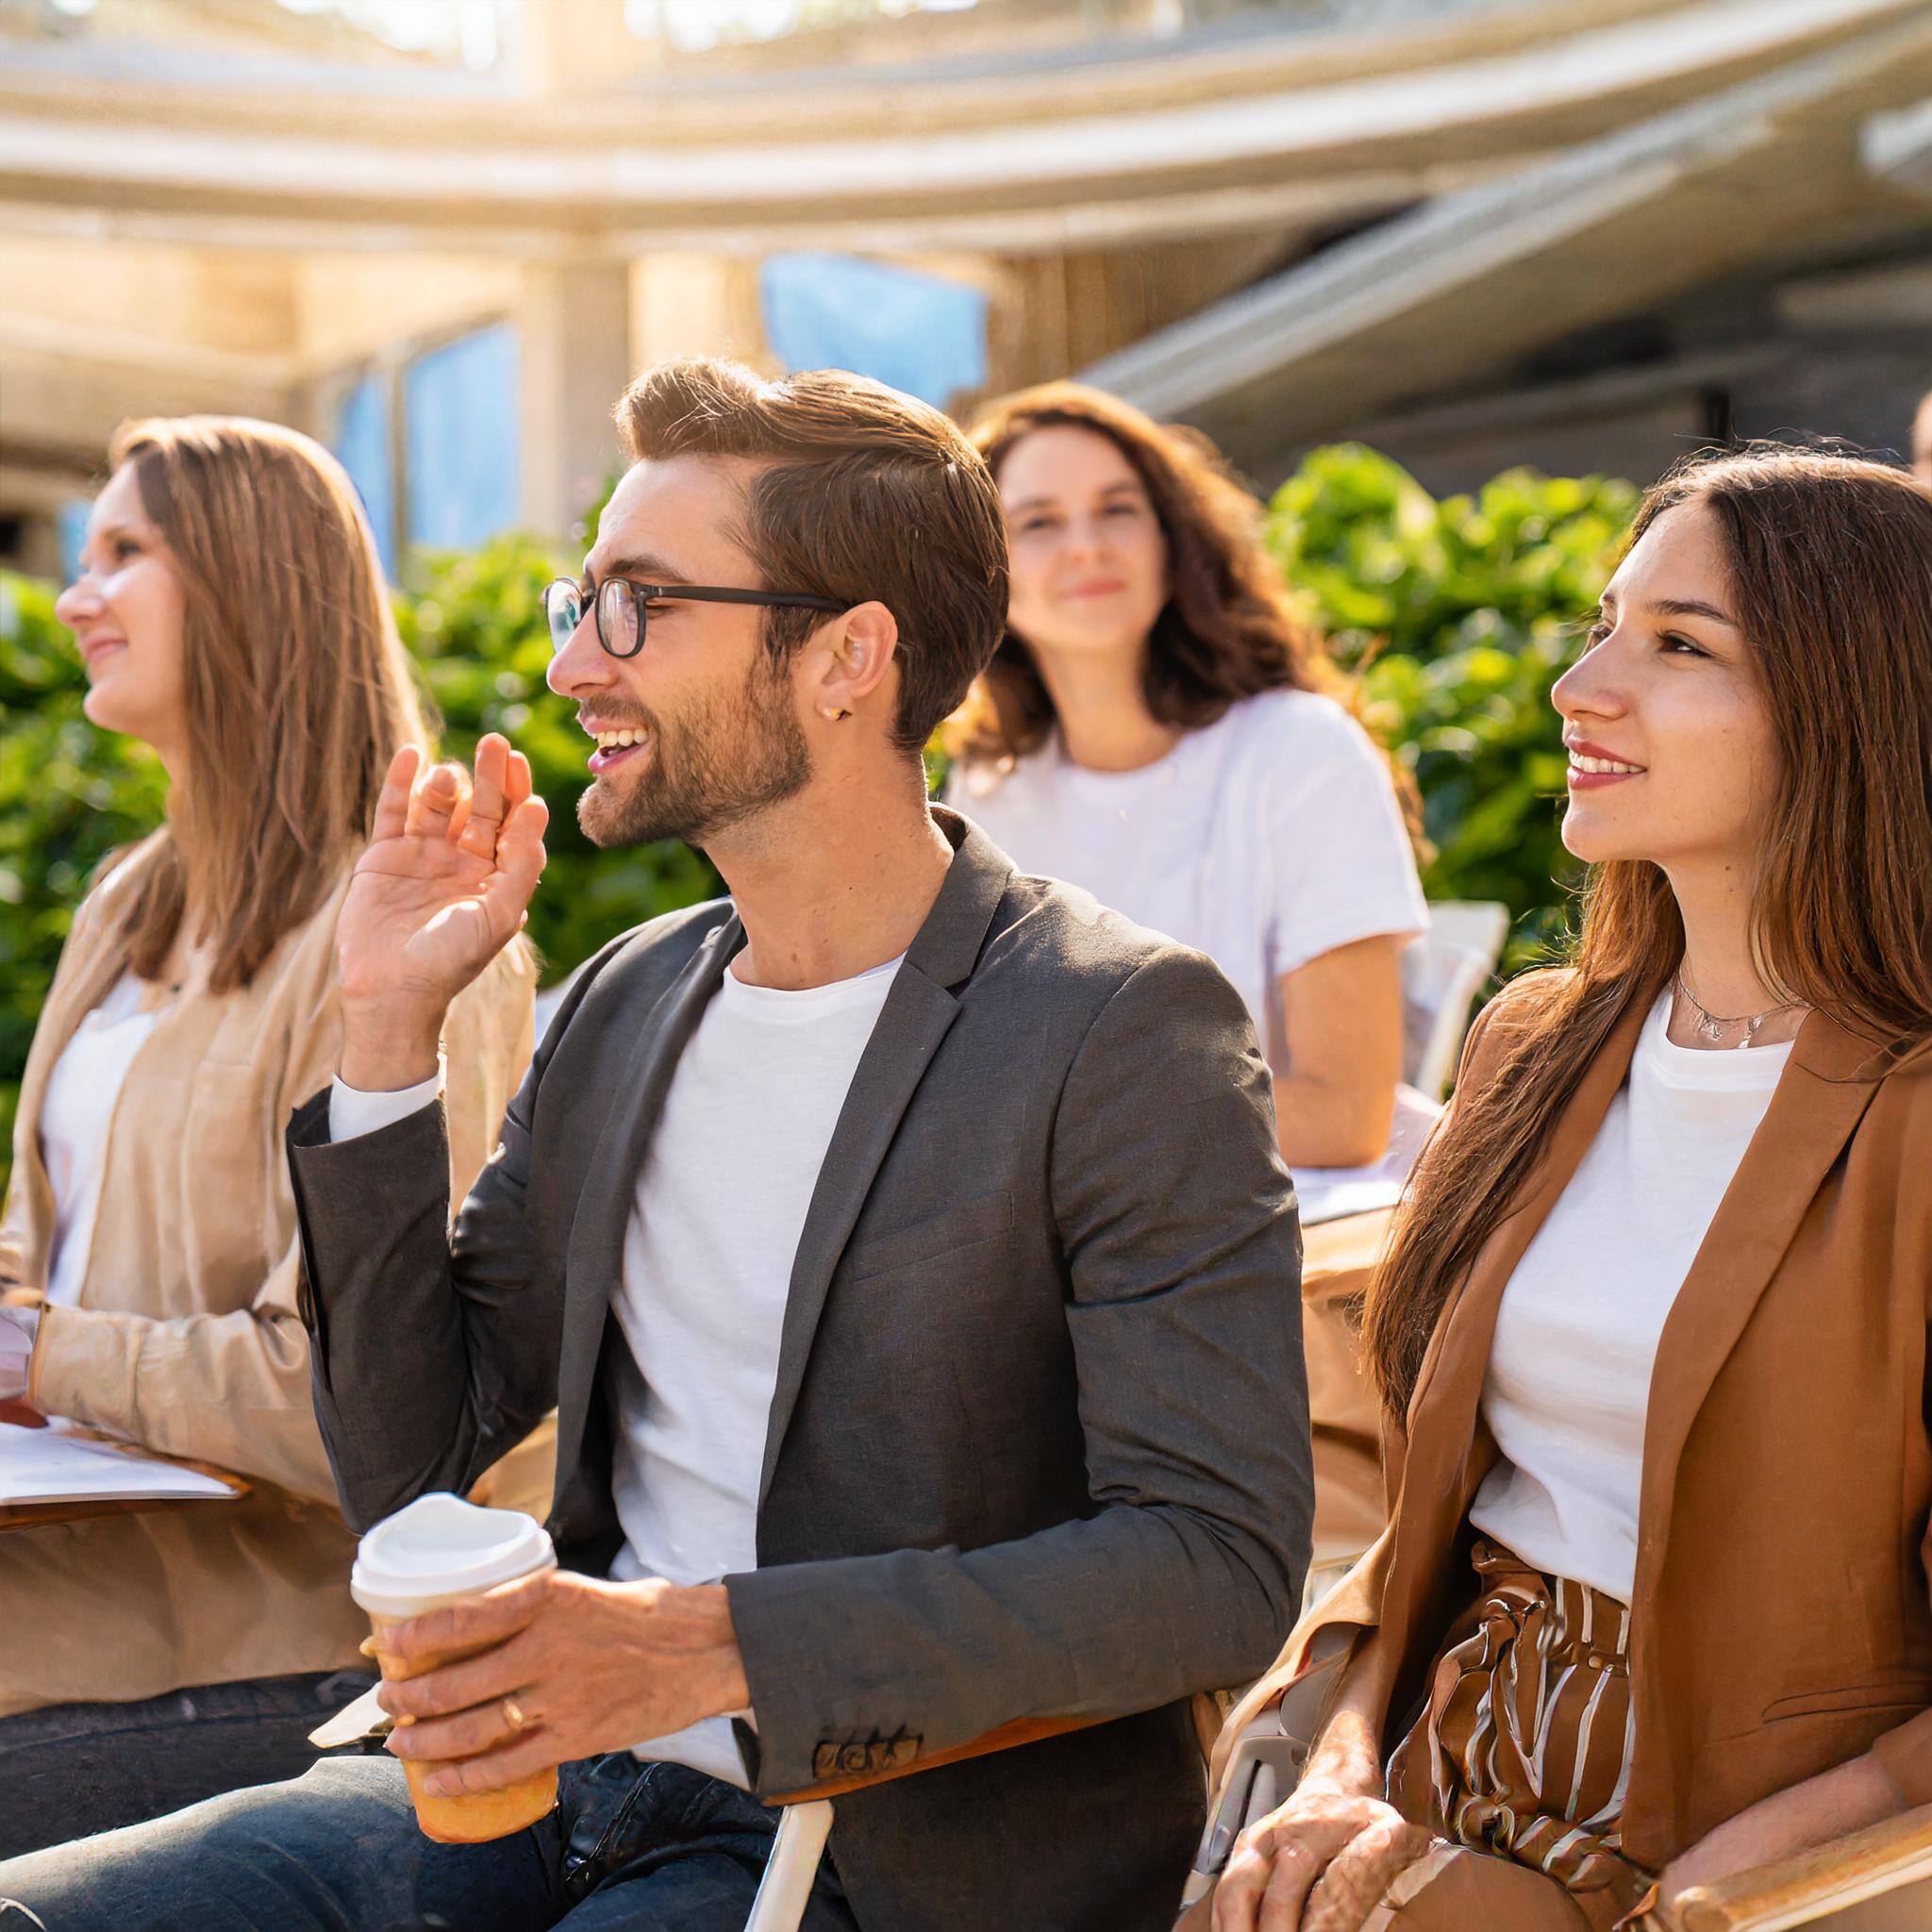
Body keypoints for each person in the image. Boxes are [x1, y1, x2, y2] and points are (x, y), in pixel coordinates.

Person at [0, 359, 1313, 1931]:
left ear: (845, 656)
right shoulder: (634, 999)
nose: (570, 665)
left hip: (866, 1840)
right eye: (581, 598)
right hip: (535, 1785)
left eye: (636, 606)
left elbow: (1212, 1564)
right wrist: (381, 1037)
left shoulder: (1118, 1028)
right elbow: (408, 1454)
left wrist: (704, 1642)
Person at [1206, 446, 1932, 1932]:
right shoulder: (1537, 1046)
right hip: (1441, 1763)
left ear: (1854, 698)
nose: (1580, 686)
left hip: (1755, 1838)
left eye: (1678, 645)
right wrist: (1339, 1760)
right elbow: (1426, 1523)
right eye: (1605, 625)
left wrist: (1759, 1871)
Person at [0, 417, 535, 1855]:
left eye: (126, 553)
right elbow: (46, 1238)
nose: (74, 594)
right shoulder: (130, 901)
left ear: (247, 582)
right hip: (59, 1572)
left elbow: (369, 1396)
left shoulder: (412, 931)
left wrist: (40, 1357)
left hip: (273, 1634)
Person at [946, 382, 1428, 1173]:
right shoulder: (992, 792)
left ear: (1173, 538)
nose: (1087, 546)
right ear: (983, 576)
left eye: (1118, 509)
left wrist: (1065, 1123)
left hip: (1287, 1233)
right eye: (1038, 523)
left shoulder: (1301, 754)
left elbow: (1345, 1117)